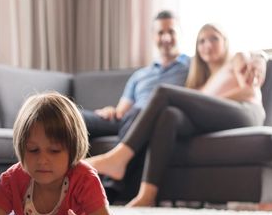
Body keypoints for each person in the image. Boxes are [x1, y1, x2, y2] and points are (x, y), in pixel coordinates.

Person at [86, 23, 267, 207]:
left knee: (163, 91)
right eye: (201, 41)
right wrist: (204, 98)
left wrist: (260, 58)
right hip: (219, 118)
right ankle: (147, 194)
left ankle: (118, 158)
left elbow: (249, 90)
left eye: (214, 38)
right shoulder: (202, 84)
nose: (207, 45)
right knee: (169, 115)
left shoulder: (236, 58)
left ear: (225, 41)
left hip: (247, 112)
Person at [0, 92, 122, 215]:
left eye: (54, 151)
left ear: (73, 149)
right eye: (33, 150)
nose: (42, 160)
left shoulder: (84, 177)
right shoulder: (11, 179)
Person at [81, 10, 190, 140]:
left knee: (139, 112)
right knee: (72, 117)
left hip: (158, 120)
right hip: (130, 119)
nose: (166, 38)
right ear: (153, 37)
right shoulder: (140, 75)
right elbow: (121, 112)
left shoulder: (191, 68)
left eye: (171, 32)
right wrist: (111, 111)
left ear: (181, 34)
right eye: (160, 33)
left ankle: (119, 157)